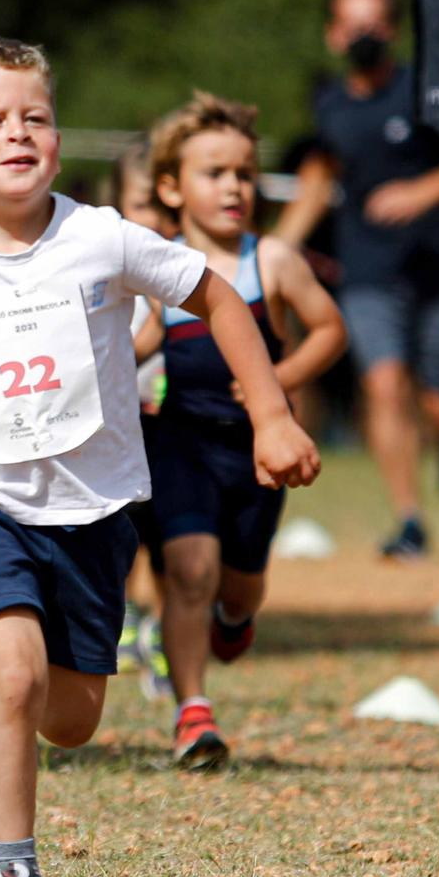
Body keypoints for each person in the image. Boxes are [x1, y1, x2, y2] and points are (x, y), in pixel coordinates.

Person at [0, 38, 320, 877]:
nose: (18, 132)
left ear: (58, 140)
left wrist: (270, 413)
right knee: (16, 670)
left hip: (99, 507)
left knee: (70, 719)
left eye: (35, 116)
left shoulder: (101, 237)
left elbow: (222, 300)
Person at [133, 93, 346, 769]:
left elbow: (332, 329)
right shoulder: (154, 264)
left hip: (257, 448)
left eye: (245, 173)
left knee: (238, 586)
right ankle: (192, 712)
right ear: (171, 186)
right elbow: (135, 341)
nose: (233, 187)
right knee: (189, 571)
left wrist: (277, 379)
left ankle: (236, 618)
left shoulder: (273, 259)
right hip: (177, 438)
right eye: (213, 172)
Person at [271, 0, 439, 559]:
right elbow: (317, 183)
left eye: (373, 24)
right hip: (367, 270)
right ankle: (410, 521)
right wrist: (272, 250)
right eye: (352, 25)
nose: (363, 36)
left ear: (393, 30)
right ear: (332, 35)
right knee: (383, 383)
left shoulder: (425, 91)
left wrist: (422, 192)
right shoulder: (329, 105)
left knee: (438, 400)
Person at [108, 141, 176, 699]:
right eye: (140, 203)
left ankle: (158, 627)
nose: (152, 217)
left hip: (176, 428)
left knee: (170, 538)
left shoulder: (187, 270)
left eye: (162, 203)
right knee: (126, 531)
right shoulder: (109, 271)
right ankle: (126, 619)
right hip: (122, 429)